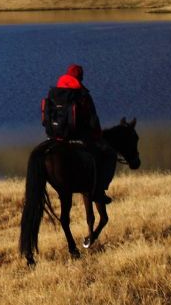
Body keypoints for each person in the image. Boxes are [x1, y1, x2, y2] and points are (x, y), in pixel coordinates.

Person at [41, 63, 116, 204]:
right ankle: (99, 191)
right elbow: (93, 120)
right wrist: (98, 136)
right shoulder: (82, 95)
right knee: (109, 153)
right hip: (78, 136)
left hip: (54, 135)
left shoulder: (54, 92)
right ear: (80, 78)